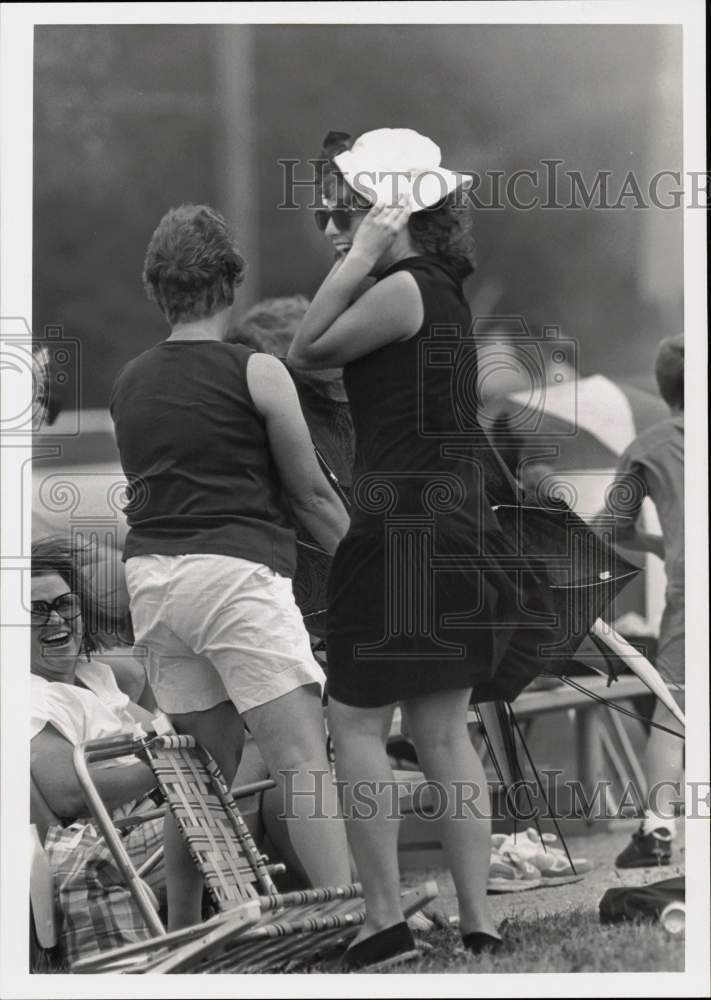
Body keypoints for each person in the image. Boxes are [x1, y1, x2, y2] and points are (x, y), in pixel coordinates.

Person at [289, 128, 524, 968]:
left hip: (397, 527)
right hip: (455, 527)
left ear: (389, 210)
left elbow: (304, 349)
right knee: (445, 732)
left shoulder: (400, 289)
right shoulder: (447, 292)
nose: (334, 227)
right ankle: (477, 922)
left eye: (346, 209)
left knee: (353, 721)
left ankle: (381, 921)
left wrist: (360, 258)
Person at [109, 204, 351, 930]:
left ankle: (182, 927)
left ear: (156, 288)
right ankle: (354, 923)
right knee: (301, 757)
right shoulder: (260, 371)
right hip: (235, 576)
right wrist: (370, 569)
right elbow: (311, 495)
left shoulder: (128, 382)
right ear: (232, 284)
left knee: (201, 774)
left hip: (153, 582)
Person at [29, 536, 165, 964]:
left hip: (156, 814)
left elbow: (167, 730)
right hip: (115, 834)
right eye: (35, 610)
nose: (56, 618)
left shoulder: (97, 678)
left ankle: (341, 921)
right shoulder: (23, 694)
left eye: (66, 603)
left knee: (287, 790)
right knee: (206, 818)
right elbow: (68, 792)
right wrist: (165, 766)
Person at [596, 335, 685, 867]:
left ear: (663, 387)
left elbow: (611, 528)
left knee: (674, 717)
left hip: (692, 596)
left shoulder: (647, 448)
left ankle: (656, 832)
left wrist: (660, 544)